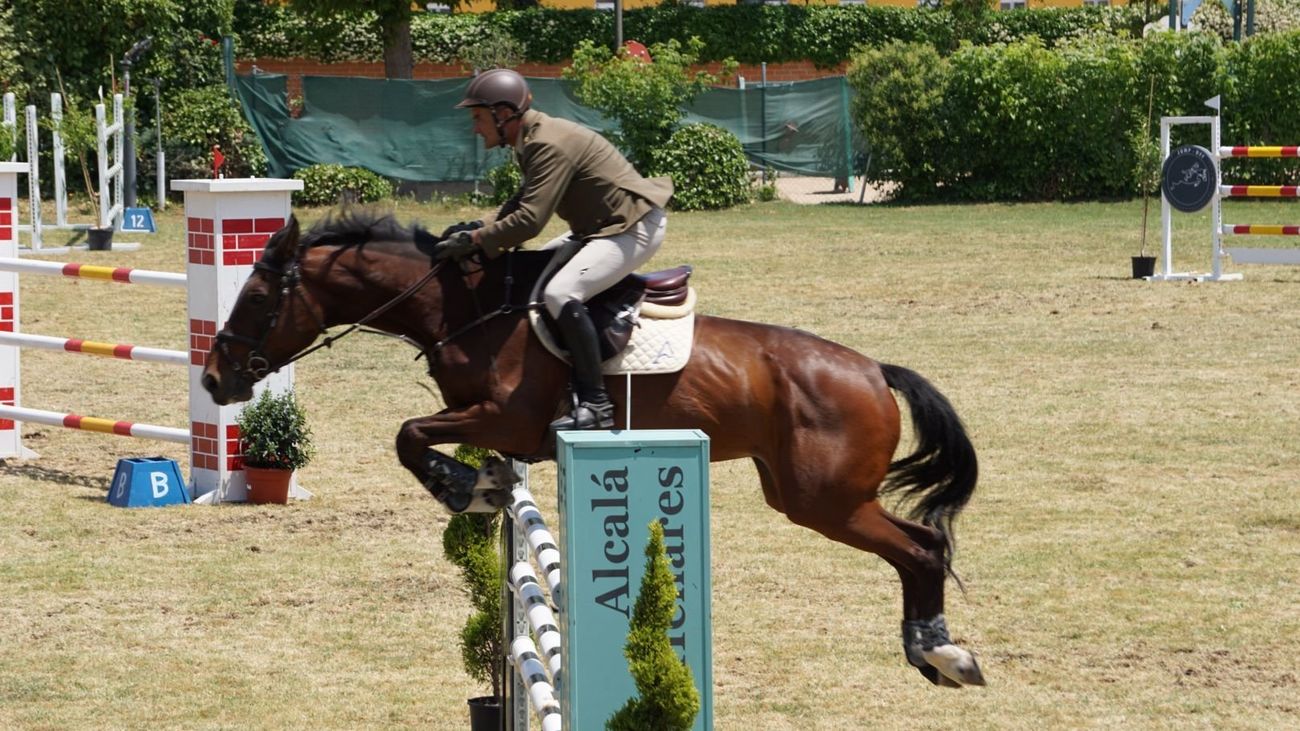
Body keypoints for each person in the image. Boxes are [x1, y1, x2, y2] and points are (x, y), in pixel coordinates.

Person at [434, 68, 673, 432]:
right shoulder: (532, 138)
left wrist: (478, 240)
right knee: (537, 273)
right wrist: (477, 227)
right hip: (600, 229)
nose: (475, 128)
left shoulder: (546, 143)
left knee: (560, 293)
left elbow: (530, 221)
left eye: (478, 117)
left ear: (503, 113)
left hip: (632, 228)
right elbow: (520, 202)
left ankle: (597, 403)